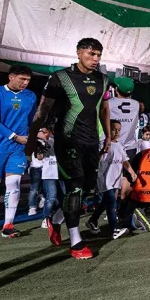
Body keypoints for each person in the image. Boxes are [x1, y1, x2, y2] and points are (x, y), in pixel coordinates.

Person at [26, 38, 110, 260]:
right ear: (79, 52)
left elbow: (103, 109)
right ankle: (76, 242)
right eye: (91, 54)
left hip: (92, 142)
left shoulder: (103, 79)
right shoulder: (60, 78)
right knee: (74, 188)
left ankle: (55, 220)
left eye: (98, 55)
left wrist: (108, 136)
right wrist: (32, 140)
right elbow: (42, 110)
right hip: (68, 141)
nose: (95, 59)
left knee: (87, 188)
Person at [0, 66, 37, 238]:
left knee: (14, 185)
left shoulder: (30, 96)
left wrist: (35, 135)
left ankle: (8, 224)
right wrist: (15, 136)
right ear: (11, 77)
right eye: (22, 79)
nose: (25, 83)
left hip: (17, 149)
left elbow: (32, 120)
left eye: (27, 80)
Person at [87, 120, 134, 240]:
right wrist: (101, 152)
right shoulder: (103, 144)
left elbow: (125, 161)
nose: (117, 132)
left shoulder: (120, 144)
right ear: (108, 130)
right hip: (105, 180)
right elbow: (95, 160)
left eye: (119, 129)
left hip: (116, 180)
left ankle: (92, 220)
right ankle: (114, 230)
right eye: (114, 129)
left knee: (106, 203)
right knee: (112, 203)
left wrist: (132, 172)